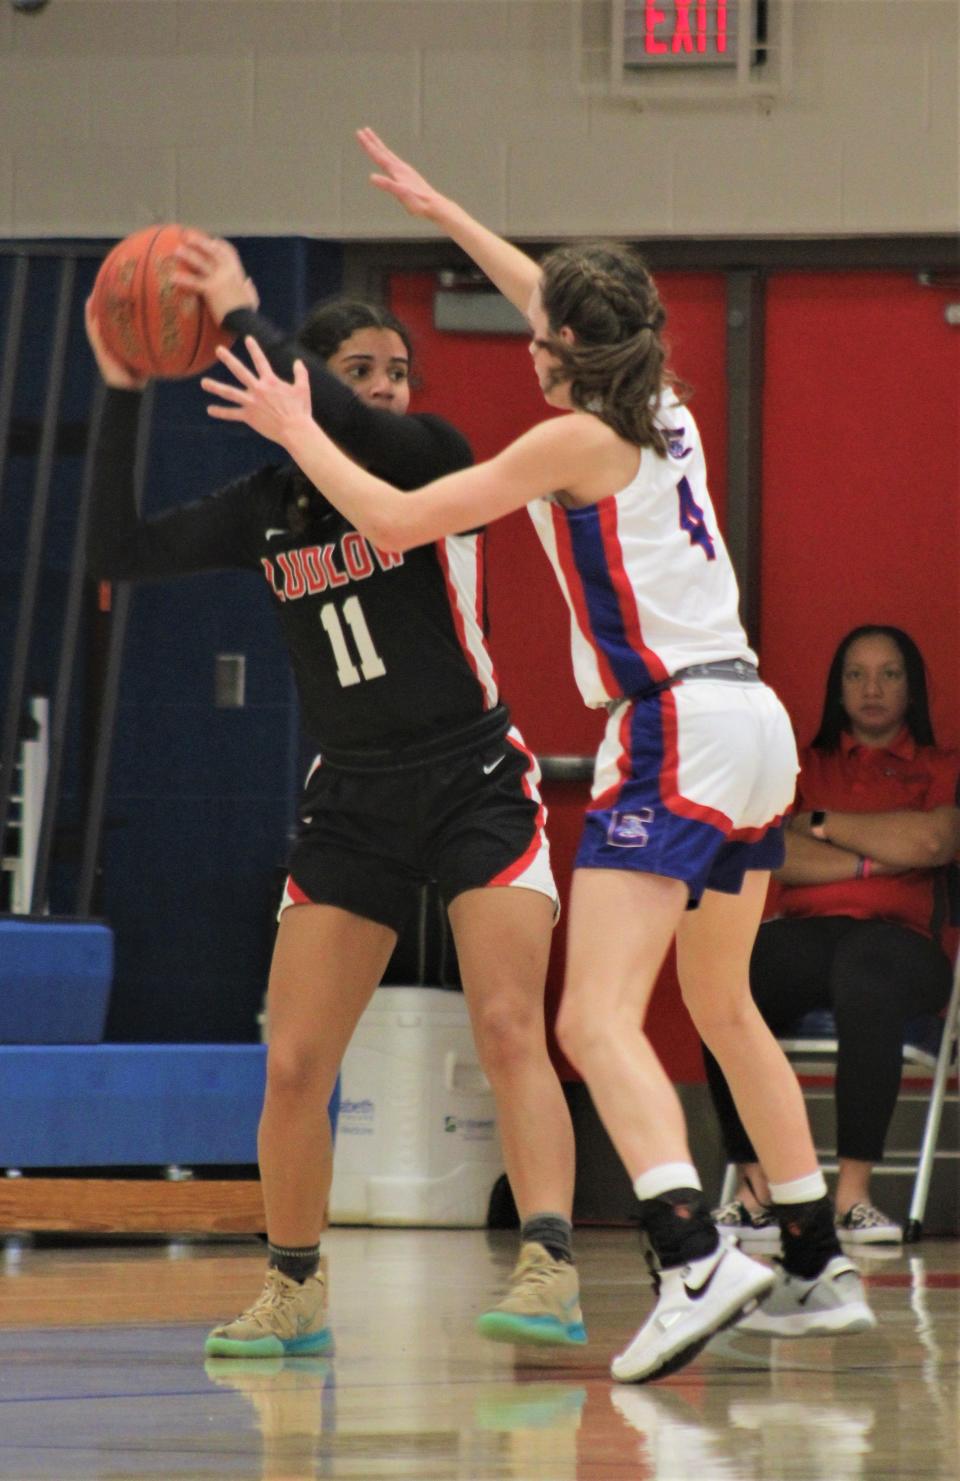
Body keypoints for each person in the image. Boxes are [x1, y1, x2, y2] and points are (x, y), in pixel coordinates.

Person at [201, 127, 876, 1383]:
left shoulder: (569, 441)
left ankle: (689, 1251)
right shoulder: (663, 405)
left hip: (670, 725)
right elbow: (548, 297)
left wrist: (301, 427)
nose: (532, 332)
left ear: (564, 352)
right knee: (721, 1003)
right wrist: (447, 209)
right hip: (756, 722)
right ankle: (817, 1255)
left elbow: (398, 517)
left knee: (592, 1014)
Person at [84, 252, 587, 1360]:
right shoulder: (270, 507)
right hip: (354, 792)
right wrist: (122, 385)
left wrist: (236, 314)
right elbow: (118, 549)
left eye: (398, 369)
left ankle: (549, 1260)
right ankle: (295, 1285)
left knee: (509, 1023)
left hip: (472, 777)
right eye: (361, 368)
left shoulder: (434, 460)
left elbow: (359, 433)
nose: (388, 387)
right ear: (313, 369)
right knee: (298, 1061)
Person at [706, 625, 960, 1245]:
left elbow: (932, 842)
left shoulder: (940, 767)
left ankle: (851, 1197)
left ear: (912, 688)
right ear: (837, 689)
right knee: (720, 978)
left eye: (889, 673)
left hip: (905, 948)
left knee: (866, 971)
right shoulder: (802, 764)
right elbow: (774, 853)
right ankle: (758, 1187)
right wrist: (875, 859)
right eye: (856, 674)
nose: (871, 688)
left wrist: (822, 823)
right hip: (810, 936)